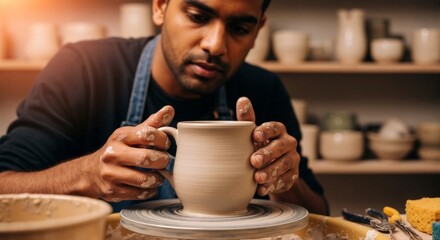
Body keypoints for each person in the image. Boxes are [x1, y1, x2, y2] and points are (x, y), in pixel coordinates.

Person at [0, 0, 328, 215]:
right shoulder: (83, 68)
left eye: (240, 28)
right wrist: (86, 175)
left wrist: (285, 182)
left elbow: (319, 215)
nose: (215, 45)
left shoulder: (263, 89)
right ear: (160, 7)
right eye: (198, 17)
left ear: (258, 30)